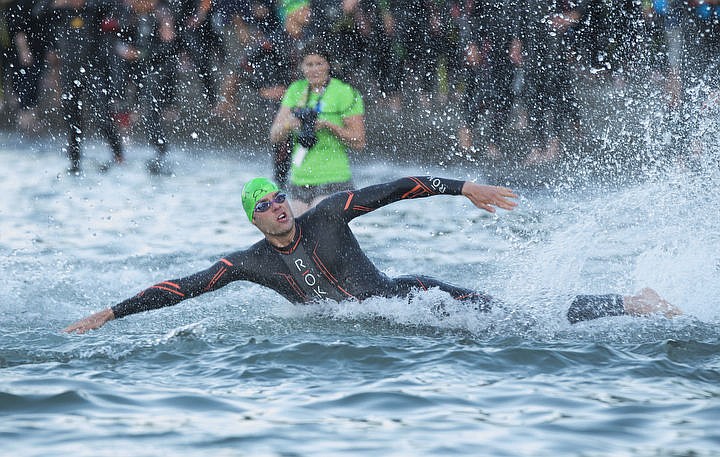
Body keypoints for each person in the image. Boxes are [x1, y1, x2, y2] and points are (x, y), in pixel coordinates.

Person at [64, 175, 681, 334]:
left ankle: (632, 301)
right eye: (265, 205)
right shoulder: (251, 262)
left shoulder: (328, 215)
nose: (278, 207)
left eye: (280, 198)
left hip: (416, 301)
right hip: (389, 331)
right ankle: (629, 301)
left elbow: (394, 190)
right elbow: (185, 285)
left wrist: (463, 188)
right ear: (252, 218)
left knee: (524, 319)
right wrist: (111, 314)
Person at [269, 38, 365, 215]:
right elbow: (274, 136)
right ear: (302, 67)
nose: (314, 70)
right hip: (299, 179)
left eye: (319, 63)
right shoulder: (295, 90)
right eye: (309, 64)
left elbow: (359, 141)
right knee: (297, 230)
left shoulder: (344, 92)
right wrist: (289, 125)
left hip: (334, 178)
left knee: (316, 224)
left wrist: (329, 125)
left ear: (328, 65)